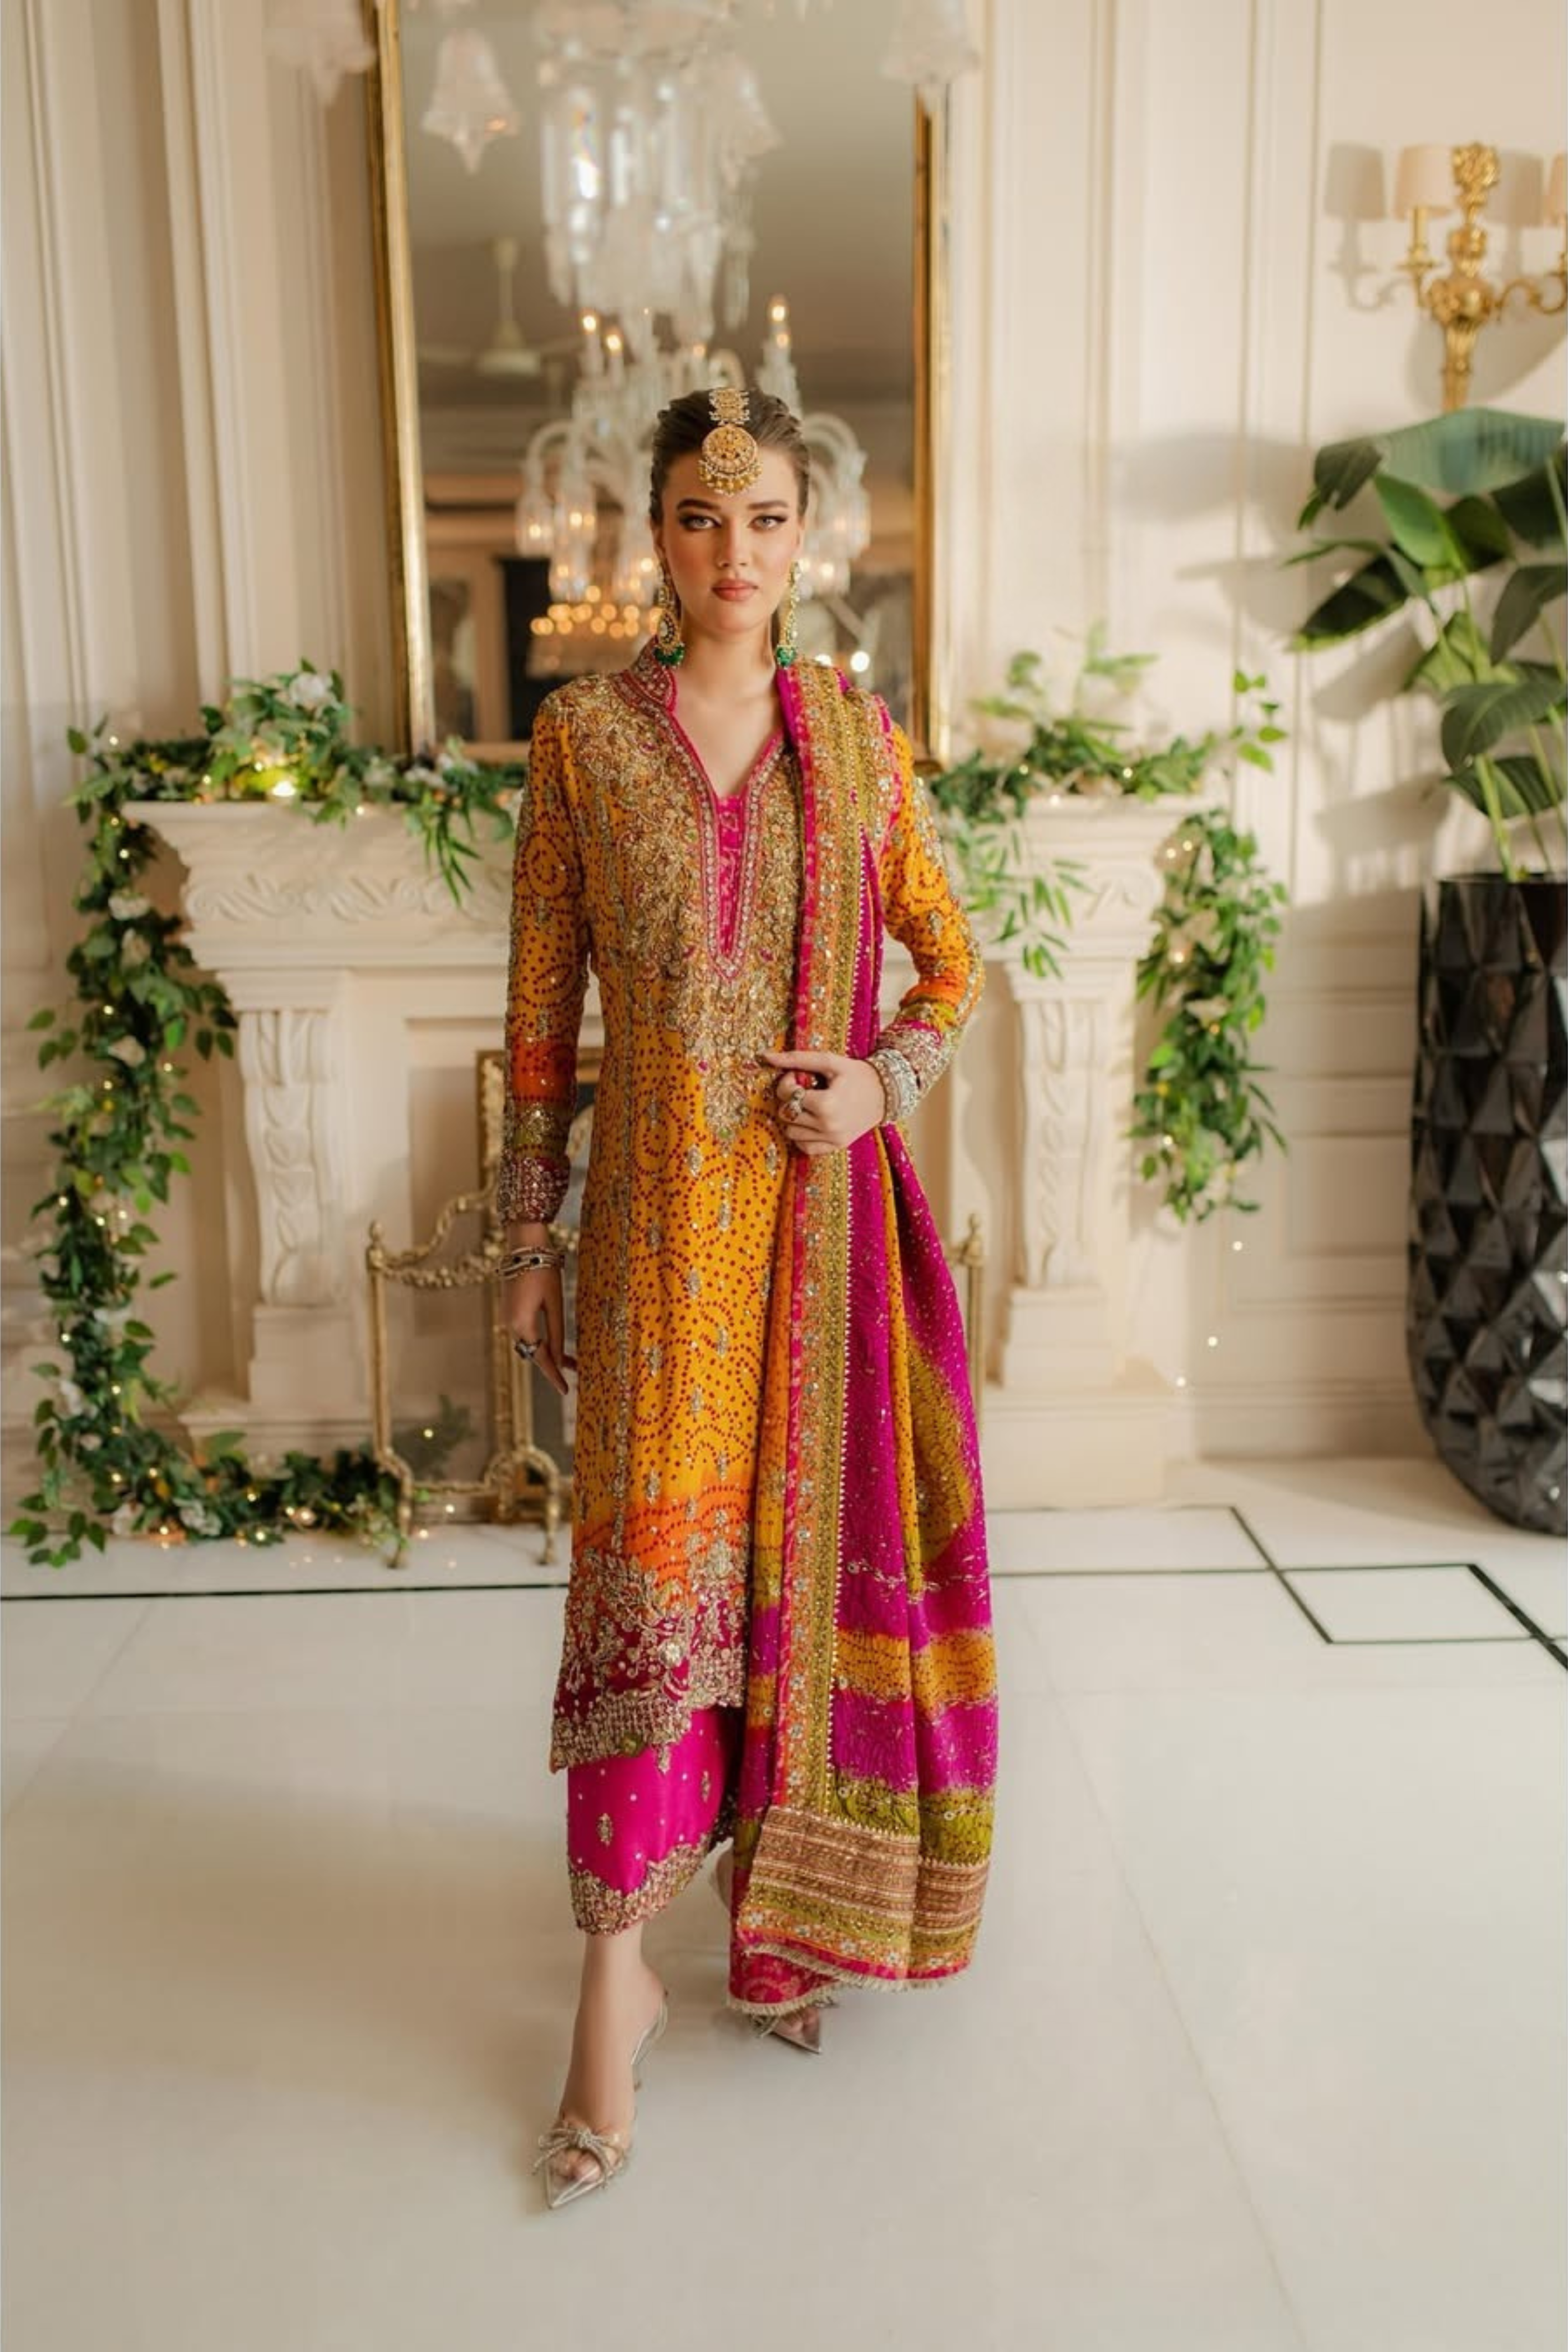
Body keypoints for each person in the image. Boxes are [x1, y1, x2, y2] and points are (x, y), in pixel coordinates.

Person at [496, 384, 998, 2208]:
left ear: (810, 539)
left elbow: (948, 964)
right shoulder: (584, 744)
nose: (734, 552)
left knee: (784, 1582)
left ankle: (775, 1927)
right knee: (646, 1586)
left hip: (812, 1250)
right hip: (646, 1247)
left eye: (768, 518)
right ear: (657, 536)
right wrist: (530, 1238)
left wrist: (883, 1083)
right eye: (702, 521)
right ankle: (613, 1979)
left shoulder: (859, 745)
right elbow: (538, 1016)